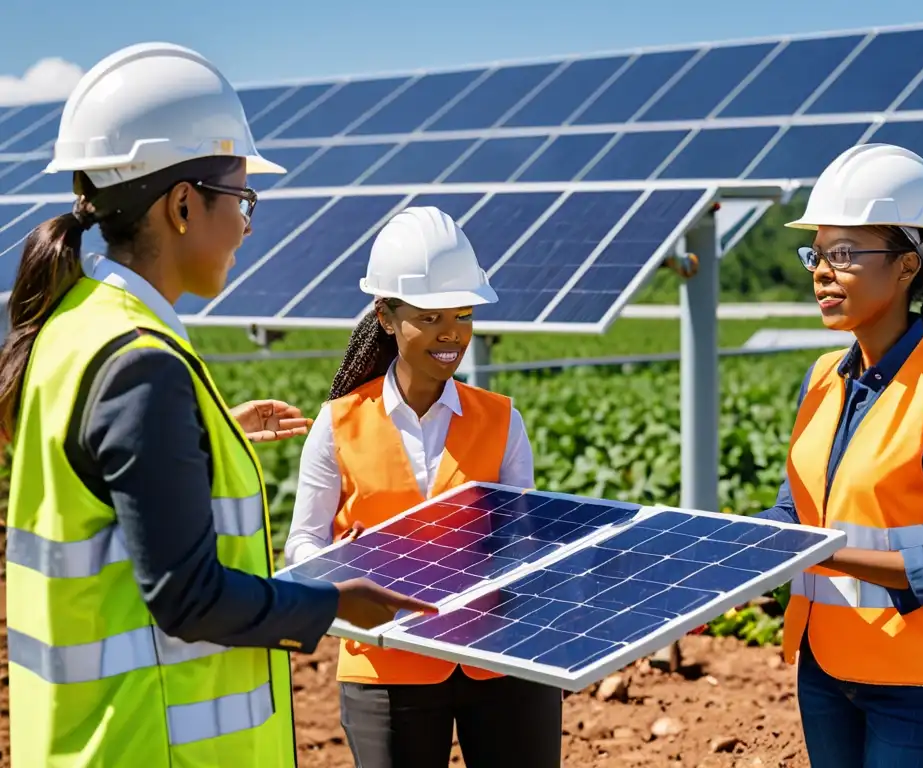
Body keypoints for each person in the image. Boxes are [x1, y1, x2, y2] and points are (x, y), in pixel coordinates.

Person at [0, 42, 435, 768]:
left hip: (94, 740)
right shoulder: (141, 362)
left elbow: (100, 483)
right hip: (159, 745)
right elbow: (187, 598)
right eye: (242, 200)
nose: (246, 226)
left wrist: (204, 435)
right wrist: (333, 605)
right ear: (180, 206)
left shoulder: (74, 326)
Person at [758, 143, 923, 767]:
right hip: (828, 671)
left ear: (907, 265)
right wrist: (733, 555)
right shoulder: (821, 377)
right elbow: (796, 510)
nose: (822, 270)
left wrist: (827, 555)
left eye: (844, 254)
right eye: (816, 254)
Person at [283, 205, 565, 768]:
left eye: (462, 315)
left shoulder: (502, 419)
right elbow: (302, 544)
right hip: (386, 661)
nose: (451, 334)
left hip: (500, 657)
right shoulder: (337, 423)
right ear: (386, 317)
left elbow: (522, 541)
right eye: (432, 316)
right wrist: (342, 566)